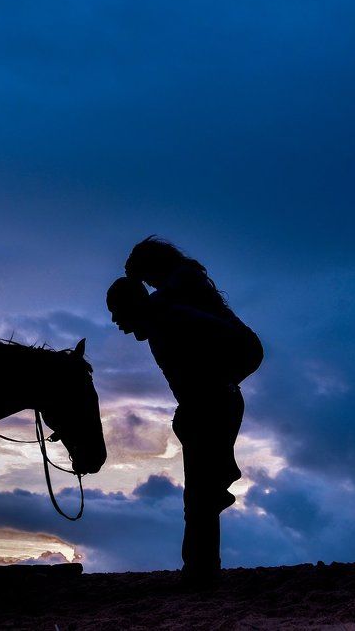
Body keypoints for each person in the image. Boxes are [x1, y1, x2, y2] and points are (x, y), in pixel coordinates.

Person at [107, 245, 262, 589]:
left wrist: (215, 386)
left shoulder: (172, 312)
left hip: (212, 404)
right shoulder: (169, 310)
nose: (116, 324)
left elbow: (247, 345)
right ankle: (200, 568)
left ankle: (200, 572)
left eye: (118, 314)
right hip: (205, 405)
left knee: (199, 497)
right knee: (200, 495)